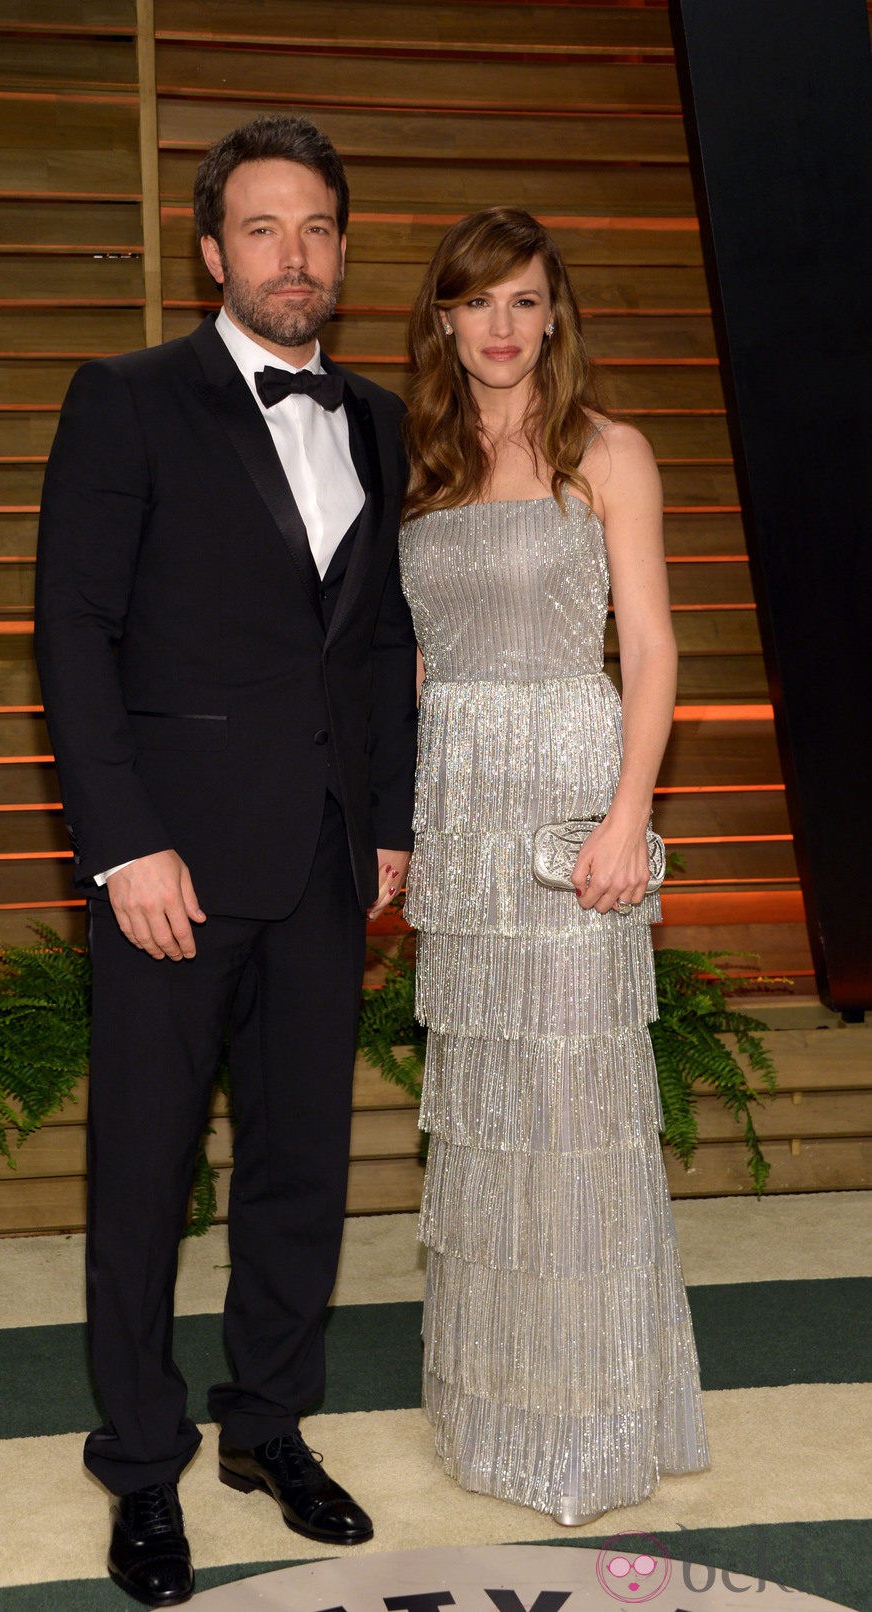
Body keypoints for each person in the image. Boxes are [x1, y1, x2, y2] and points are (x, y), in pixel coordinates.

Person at [34, 114, 417, 1608]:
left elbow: (378, 640)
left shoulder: (375, 416)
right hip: (170, 871)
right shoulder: (126, 399)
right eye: (263, 228)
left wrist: (387, 821)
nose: (294, 256)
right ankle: (141, 1464)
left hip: (325, 864)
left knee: (301, 1172)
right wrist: (121, 840)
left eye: (317, 227)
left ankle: (268, 1426)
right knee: (142, 1175)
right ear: (212, 251)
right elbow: (73, 629)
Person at [399, 208, 710, 1525]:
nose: (504, 328)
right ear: (445, 322)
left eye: (525, 301)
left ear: (554, 314)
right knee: (488, 1115)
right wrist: (407, 830)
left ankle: (593, 1422)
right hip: (461, 819)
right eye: (478, 304)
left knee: (580, 1113)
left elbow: (649, 649)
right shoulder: (421, 468)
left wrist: (628, 814)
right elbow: (417, 667)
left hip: (573, 800)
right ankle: (498, 1412)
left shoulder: (608, 455)